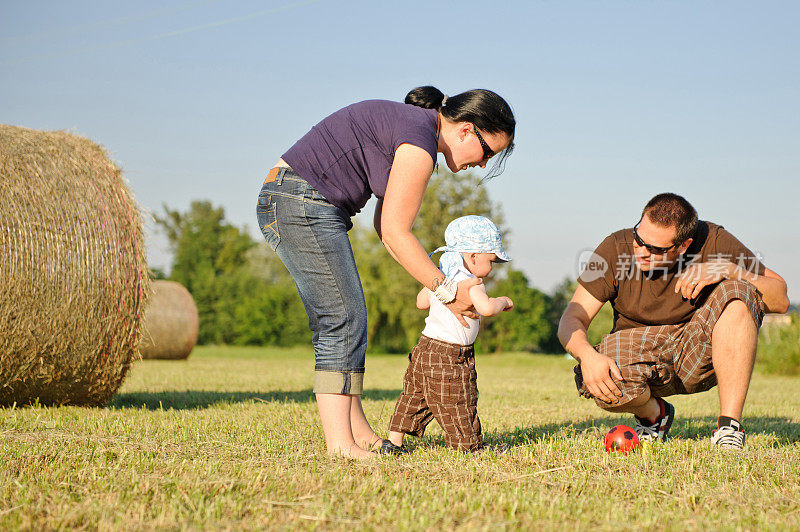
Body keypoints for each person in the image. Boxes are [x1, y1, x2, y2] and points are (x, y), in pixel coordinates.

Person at [256, 87, 516, 459]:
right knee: (342, 319)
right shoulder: (419, 144)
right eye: (488, 151)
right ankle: (340, 446)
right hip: (300, 202)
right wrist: (446, 291)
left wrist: (437, 282)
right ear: (466, 130)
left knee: (349, 317)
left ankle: (359, 433)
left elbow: (388, 230)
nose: (485, 164)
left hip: (298, 200)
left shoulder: (415, 131)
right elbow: (395, 232)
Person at [558, 193, 789, 449]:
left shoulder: (714, 240)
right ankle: (654, 414)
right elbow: (572, 317)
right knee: (598, 373)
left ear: (683, 245)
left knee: (740, 290)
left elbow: (780, 299)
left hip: (699, 349)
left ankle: (729, 427)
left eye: (656, 249)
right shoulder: (613, 248)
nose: (642, 252)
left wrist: (730, 269)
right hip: (641, 353)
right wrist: (587, 356)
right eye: (639, 239)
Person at [385, 216, 514, 453]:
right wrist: (502, 301)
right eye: (492, 261)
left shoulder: (439, 277)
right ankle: (470, 447)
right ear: (473, 256)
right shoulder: (472, 283)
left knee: (414, 395)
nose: (491, 268)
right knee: (459, 399)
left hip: (425, 348)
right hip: (450, 355)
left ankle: (393, 443)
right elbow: (486, 308)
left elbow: (421, 302)